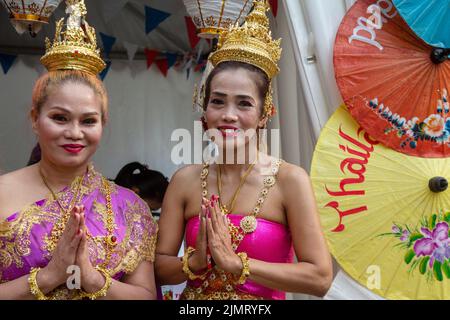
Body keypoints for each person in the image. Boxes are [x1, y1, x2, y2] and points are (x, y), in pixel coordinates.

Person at [155, 0, 333, 300]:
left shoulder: (289, 181)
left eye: (244, 103)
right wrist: (194, 263)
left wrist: (239, 265)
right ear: (204, 114)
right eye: (218, 101)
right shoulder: (185, 180)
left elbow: (319, 277)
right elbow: (158, 267)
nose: (228, 115)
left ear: (265, 114)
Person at [0, 0, 157, 300]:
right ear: (35, 119)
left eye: (88, 121)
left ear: (103, 124)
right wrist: (47, 278)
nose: (74, 133)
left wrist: (94, 280)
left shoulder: (131, 208)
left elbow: (146, 295)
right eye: (59, 118)